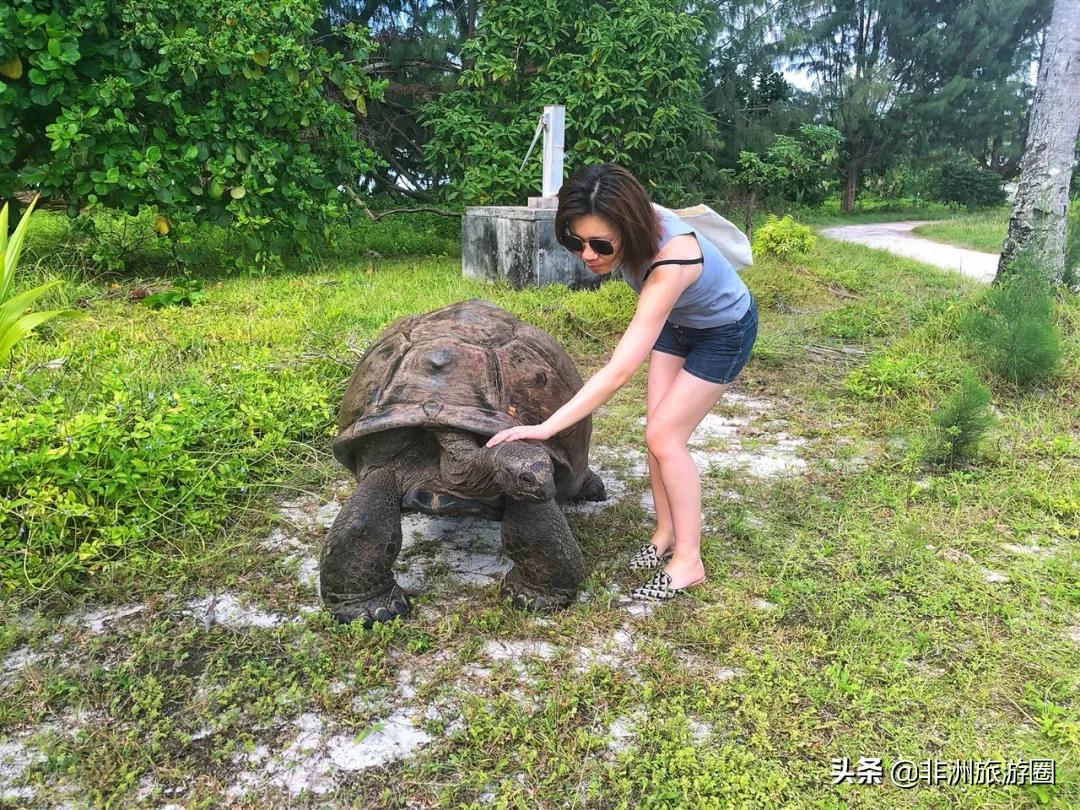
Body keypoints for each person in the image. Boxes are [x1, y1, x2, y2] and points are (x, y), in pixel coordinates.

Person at [486, 163, 758, 601]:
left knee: (665, 436)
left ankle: (689, 559)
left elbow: (618, 371)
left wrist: (544, 428)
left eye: (599, 244)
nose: (588, 255)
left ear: (629, 228)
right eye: (575, 242)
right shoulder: (625, 224)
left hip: (724, 330)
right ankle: (665, 532)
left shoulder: (671, 262)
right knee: (654, 432)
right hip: (676, 321)